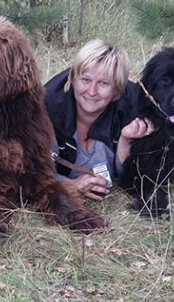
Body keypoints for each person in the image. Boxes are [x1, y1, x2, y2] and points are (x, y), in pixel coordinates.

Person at [44, 39, 155, 200]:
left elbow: (134, 179)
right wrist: (67, 184)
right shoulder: (47, 108)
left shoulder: (134, 110)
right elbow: (28, 169)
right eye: (85, 80)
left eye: (103, 83)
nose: (92, 91)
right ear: (73, 79)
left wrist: (126, 140)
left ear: (117, 90)